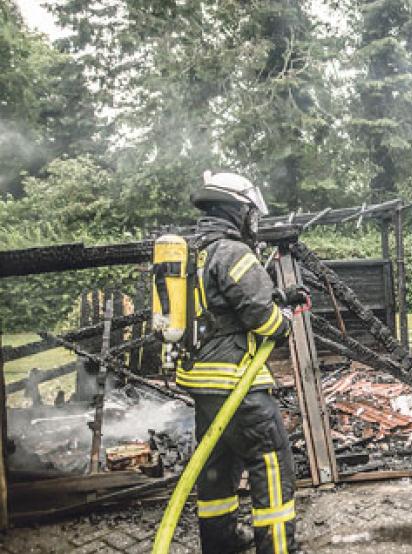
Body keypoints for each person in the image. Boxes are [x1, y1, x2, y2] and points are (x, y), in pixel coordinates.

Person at [182, 170, 304, 554]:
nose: (254, 221)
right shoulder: (233, 251)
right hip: (237, 382)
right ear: (236, 211)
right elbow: (260, 319)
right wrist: (282, 320)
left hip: (204, 382)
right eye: (251, 213)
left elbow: (220, 308)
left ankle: (221, 544)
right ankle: (278, 547)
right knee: (271, 463)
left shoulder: (193, 251)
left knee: (217, 466)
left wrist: (278, 297)